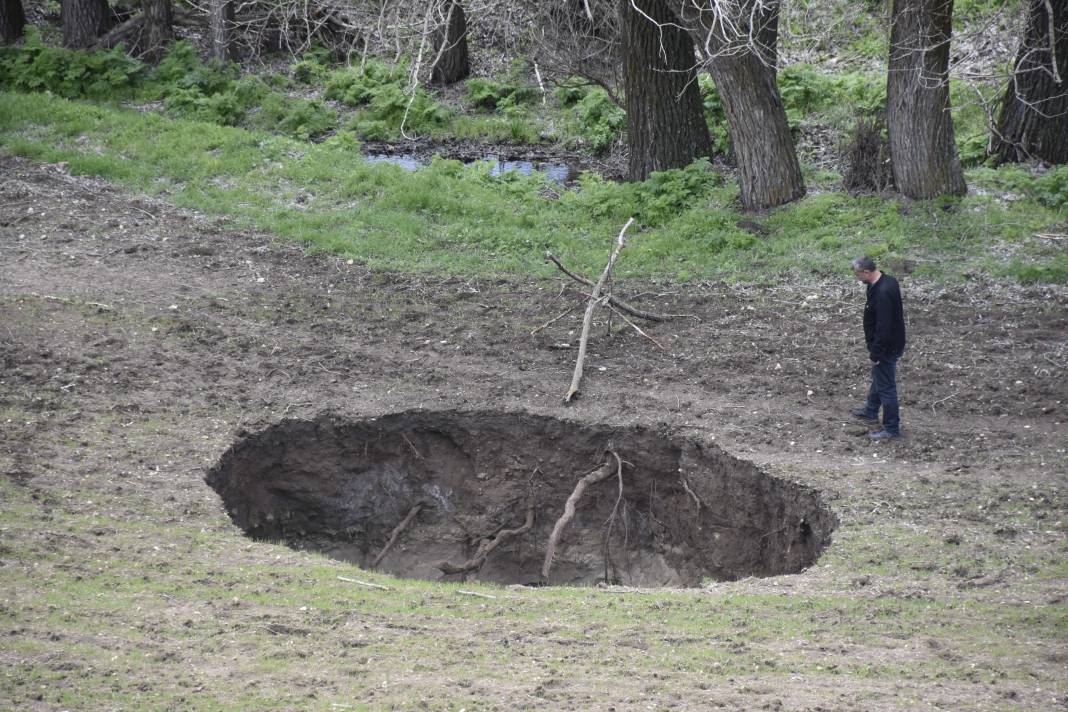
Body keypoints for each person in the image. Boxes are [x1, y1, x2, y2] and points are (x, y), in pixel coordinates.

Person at [851, 256, 906, 440]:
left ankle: (891, 428)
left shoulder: (882, 292)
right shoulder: (884, 282)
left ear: (866, 272)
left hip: (886, 347)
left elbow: (884, 327)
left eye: (858, 274)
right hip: (889, 343)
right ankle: (871, 410)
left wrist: (875, 354)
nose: (857, 278)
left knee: (886, 387)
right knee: (879, 376)